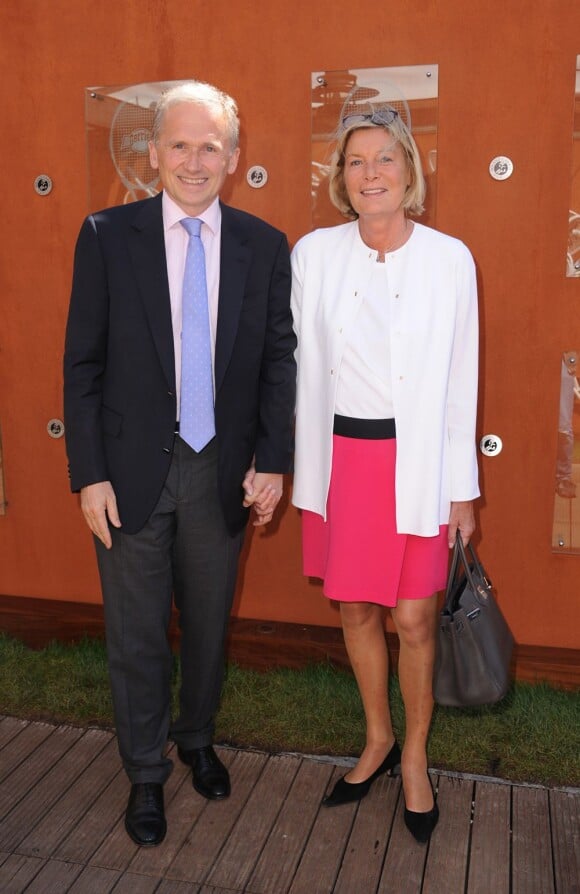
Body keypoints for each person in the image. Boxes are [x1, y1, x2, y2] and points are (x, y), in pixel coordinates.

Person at [63, 81, 296, 847]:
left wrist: (273, 460)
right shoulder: (105, 234)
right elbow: (83, 364)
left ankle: (195, 737)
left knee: (206, 624)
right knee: (134, 632)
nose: (195, 160)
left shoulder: (265, 245)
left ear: (232, 158)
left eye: (211, 147)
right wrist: (87, 473)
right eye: (181, 144)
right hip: (129, 473)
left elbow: (276, 362)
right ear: (154, 153)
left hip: (221, 469)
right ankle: (144, 771)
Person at [291, 106, 479, 843]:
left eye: (384, 160)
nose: (370, 174)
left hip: (417, 463)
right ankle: (376, 740)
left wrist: (461, 486)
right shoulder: (314, 253)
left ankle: (416, 761)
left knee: (413, 617)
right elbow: (296, 366)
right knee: (356, 609)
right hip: (341, 464)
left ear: (409, 170)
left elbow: (462, 375)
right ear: (342, 178)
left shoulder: (449, 257)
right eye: (356, 162)